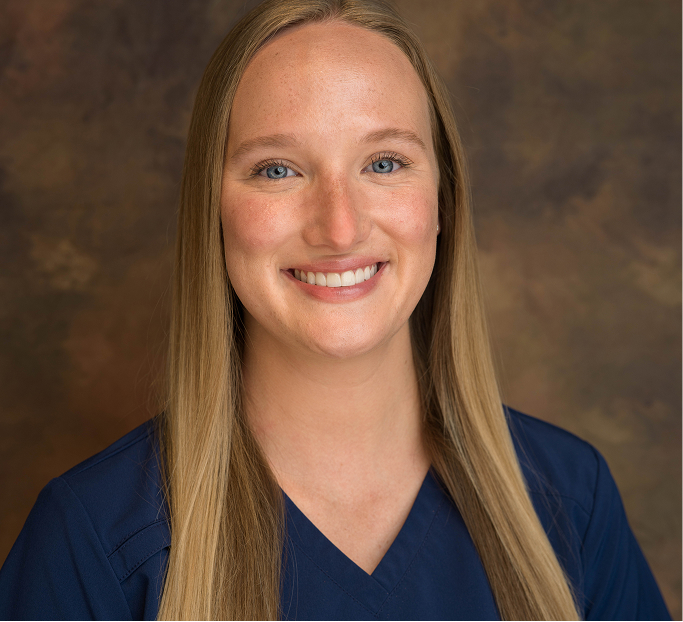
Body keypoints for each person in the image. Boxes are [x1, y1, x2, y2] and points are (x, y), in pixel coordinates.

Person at [0, 0, 671, 619]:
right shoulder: (91, 537)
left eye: (383, 163)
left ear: (443, 201)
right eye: (277, 169)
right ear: (213, 208)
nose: (340, 227)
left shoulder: (566, 497)